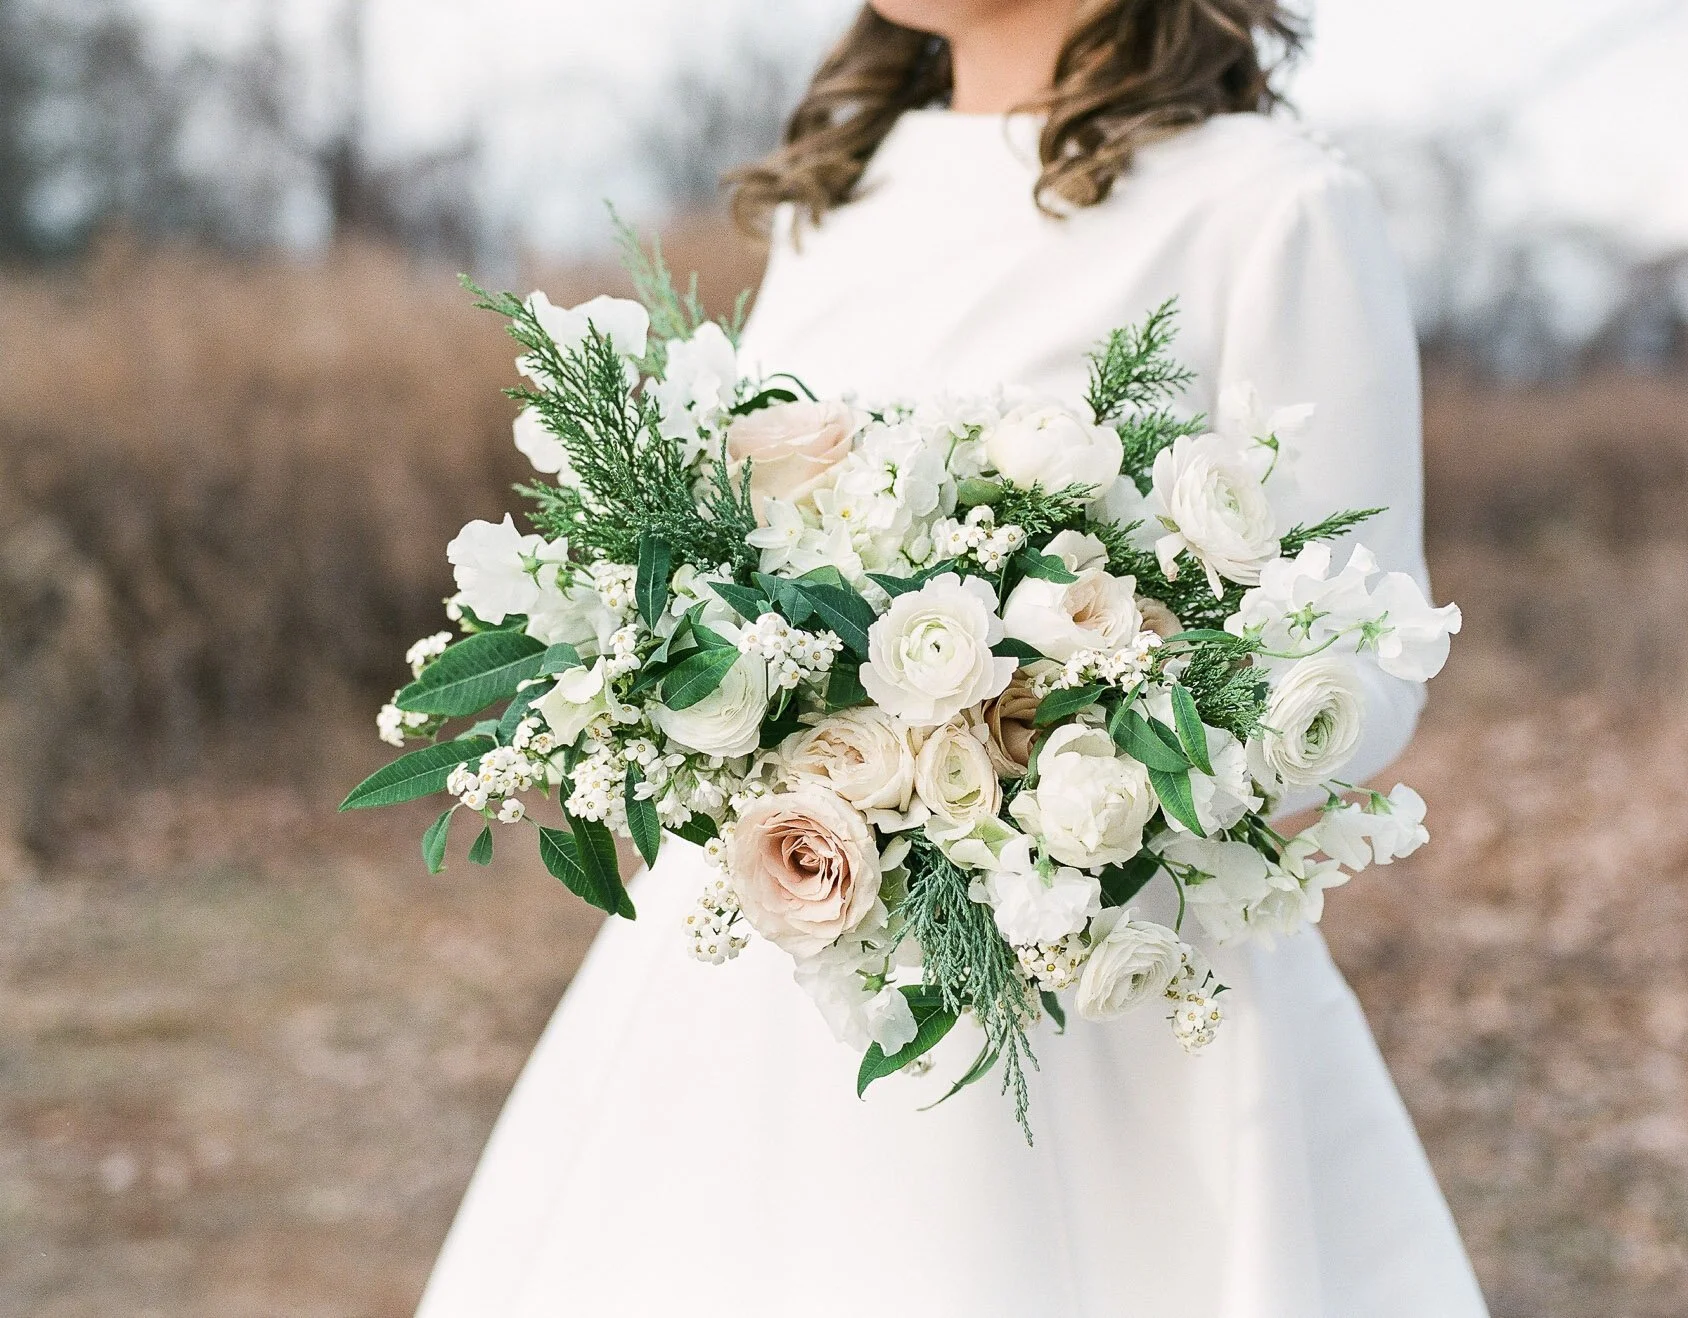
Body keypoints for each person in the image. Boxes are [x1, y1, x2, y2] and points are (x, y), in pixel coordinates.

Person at [416, 2, 1491, 1313]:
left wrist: (1075, 755)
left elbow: (1364, 656)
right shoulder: (844, 193)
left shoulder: (1270, 204)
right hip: (771, 967)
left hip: (1101, 1004)